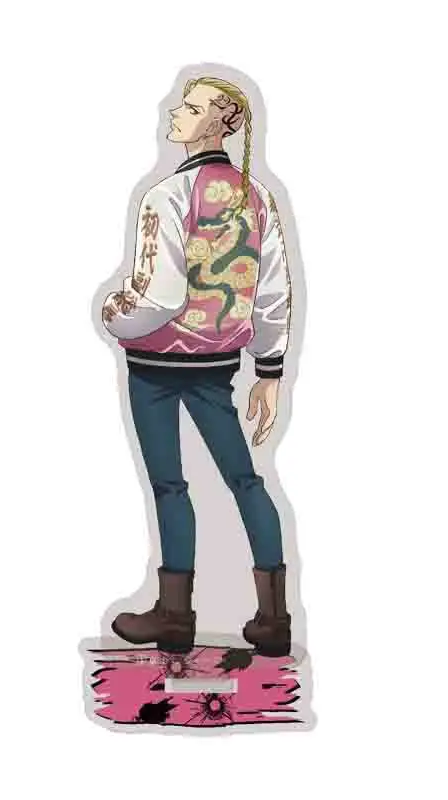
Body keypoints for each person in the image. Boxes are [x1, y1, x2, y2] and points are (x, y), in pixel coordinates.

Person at [101, 76, 293, 656]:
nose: (172, 110)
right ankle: (274, 620)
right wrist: (269, 370)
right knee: (245, 480)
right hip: (218, 363)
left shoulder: (166, 196)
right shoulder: (257, 197)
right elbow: (272, 290)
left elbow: (157, 298)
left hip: (156, 363)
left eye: (189, 106)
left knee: (170, 485)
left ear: (215, 122)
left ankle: (176, 615)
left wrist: (112, 314)